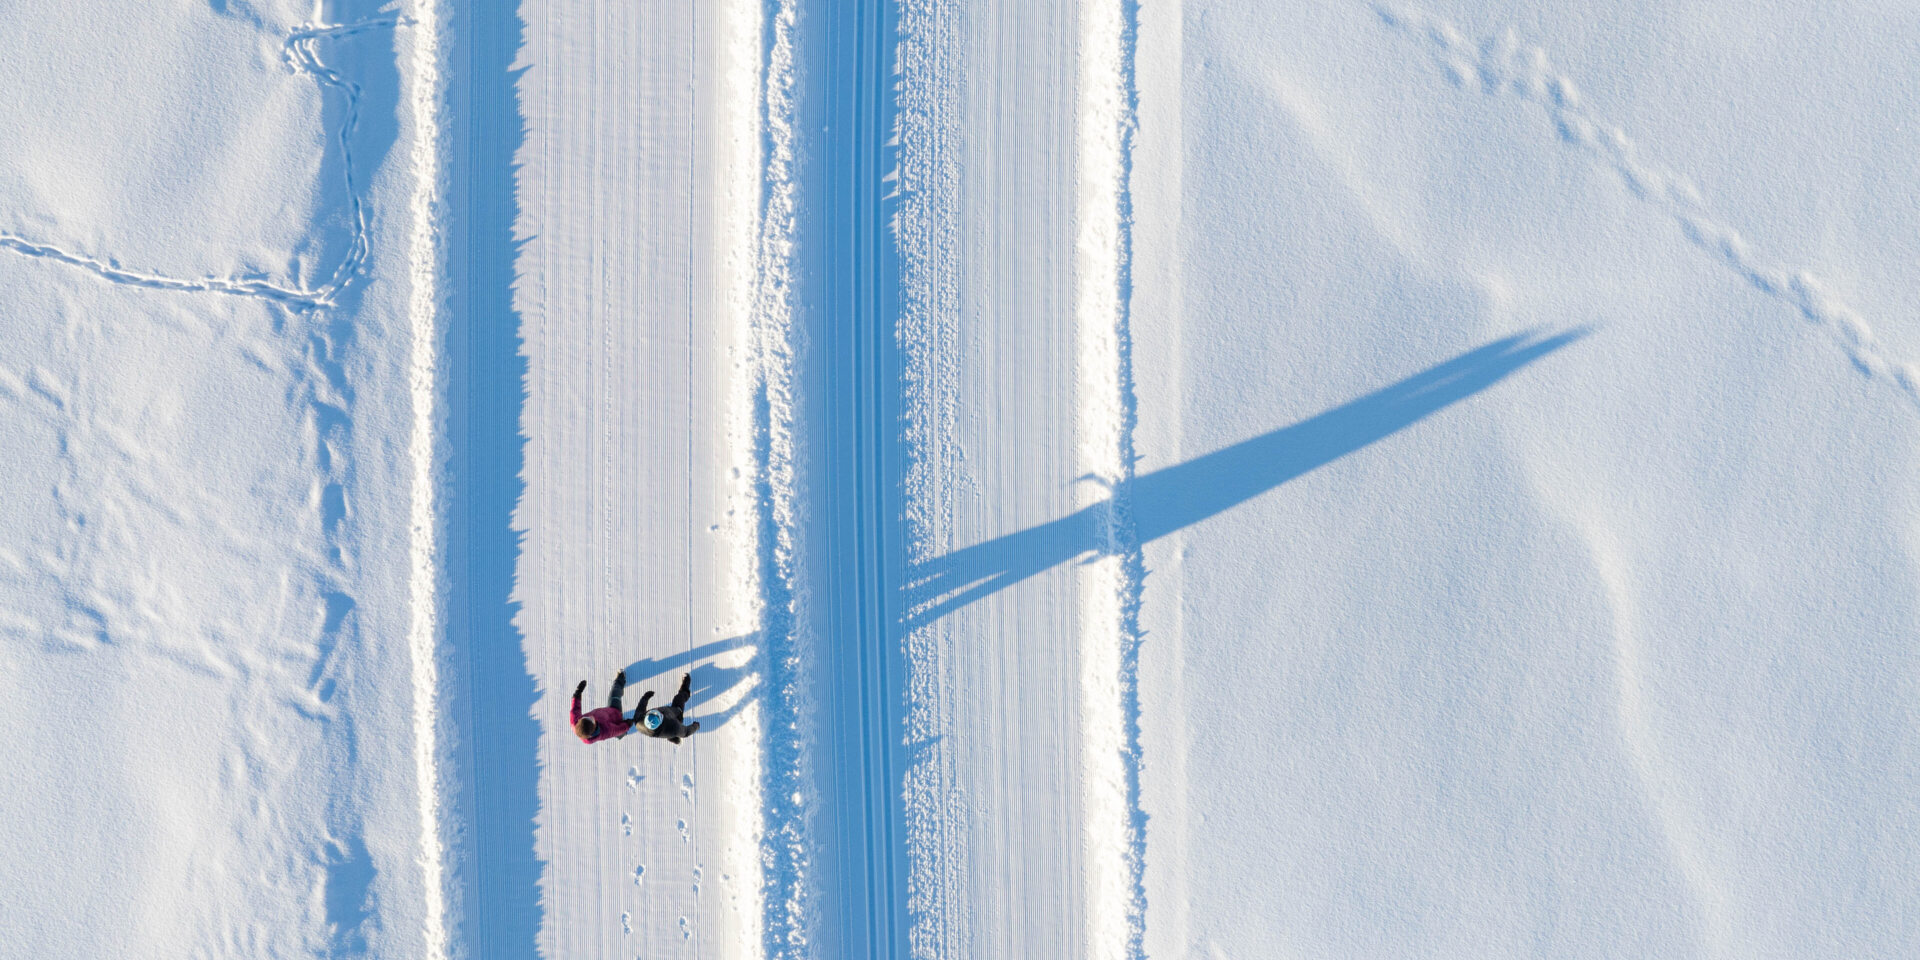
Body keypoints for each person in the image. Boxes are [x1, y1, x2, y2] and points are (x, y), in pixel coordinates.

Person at [632, 673, 701, 744]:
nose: (657, 711)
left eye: (652, 713)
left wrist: (645, 697)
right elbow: (686, 732)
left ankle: (674, 739)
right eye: (659, 715)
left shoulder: (638, 722)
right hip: (676, 716)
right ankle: (685, 688)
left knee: (670, 735)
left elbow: (640, 709)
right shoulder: (674, 727)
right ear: (660, 721)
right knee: (679, 698)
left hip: (668, 727)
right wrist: (695, 726)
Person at [570, 670, 635, 744]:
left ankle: (621, 735)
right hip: (614, 713)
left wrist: (578, 693)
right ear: (594, 727)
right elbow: (617, 730)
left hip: (606, 711)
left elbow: (575, 709)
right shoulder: (605, 731)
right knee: (615, 694)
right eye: (591, 719)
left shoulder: (575, 723)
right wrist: (627, 724)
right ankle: (621, 678)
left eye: (586, 717)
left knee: (619, 733)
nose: (590, 716)